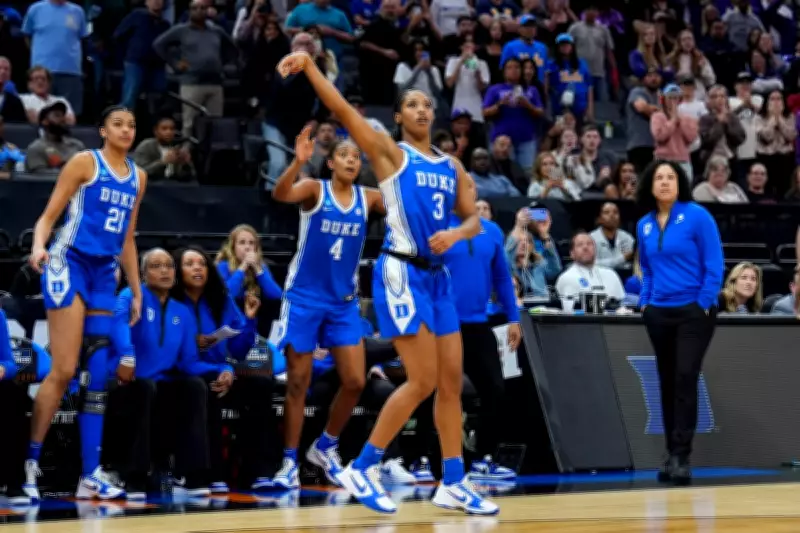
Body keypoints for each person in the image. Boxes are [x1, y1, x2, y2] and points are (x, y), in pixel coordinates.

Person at [277, 51, 495, 515]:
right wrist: (312, 66)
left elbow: (473, 219)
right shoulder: (389, 154)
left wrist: (456, 234)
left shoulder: (452, 166)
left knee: (451, 384)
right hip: (401, 272)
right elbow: (341, 108)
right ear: (398, 117)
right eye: (411, 104)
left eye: (426, 104)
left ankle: (453, 480)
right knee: (422, 379)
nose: (421, 110)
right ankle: (364, 465)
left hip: (438, 277)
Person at [23, 106, 146, 502]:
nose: (126, 130)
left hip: (104, 272)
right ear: (103, 131)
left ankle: (89, 474)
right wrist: (38, 246)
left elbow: (128, 238)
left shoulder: (139, 177)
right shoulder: (84, 163)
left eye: (131, 125)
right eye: (118, 124)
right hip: (69, 261)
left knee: (97, 374)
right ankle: (30, 462)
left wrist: (136, 289)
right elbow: (48, 216)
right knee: (63, 369)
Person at [269, 129, 384, 490]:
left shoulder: (369, 198)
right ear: (331, 162)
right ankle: (288, 462)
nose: (352, 160)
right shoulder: (314, 190)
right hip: (304, 298)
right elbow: (280, 194)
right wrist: (298, 162)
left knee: (355, 380)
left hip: (342, 302)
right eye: (345, 155)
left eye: (357, 157)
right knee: (298, 383)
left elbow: (405, 205)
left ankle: (324, 446)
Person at [105, 248, 222, 499]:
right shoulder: (130, 296)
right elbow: (118, 327)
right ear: (143, 274)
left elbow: (189, 362)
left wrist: (222, 369)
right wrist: (127, 355)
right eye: (156, 266)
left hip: (160, 386)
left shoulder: (182, 311)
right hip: (125, 382)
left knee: (194, 386)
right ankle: (134, 476)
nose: (164, 271)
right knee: (145, 388)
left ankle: (193, 475)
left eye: (169, 266)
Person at [636, 160, 723, 486]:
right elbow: (646, 269)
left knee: (686, 376)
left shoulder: (698, 216)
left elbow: (715, 263)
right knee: (667, 381)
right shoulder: (644, 224)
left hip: (693, 311)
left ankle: (682, 456)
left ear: (680, 182)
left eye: (670, 177)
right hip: (658, 312)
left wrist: (703, 303)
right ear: (650, 184)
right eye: (659, 177)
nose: (664, 182)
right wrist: (645, 303)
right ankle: (671, 452)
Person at [171, 246, 270, 493]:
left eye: (202, 263)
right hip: (185, 375)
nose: (197, 268)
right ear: (177, 271)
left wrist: (249, 321)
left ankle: (257, 471)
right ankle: (214, 473)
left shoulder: (221, 300)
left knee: (260, 385)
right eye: (189, 264)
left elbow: (238, 351)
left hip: (221, 371)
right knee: (208, 388)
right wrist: (221, 369)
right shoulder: (172, 303)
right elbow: (180, 359)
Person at [442, 175, 521, 480]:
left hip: (478, 323)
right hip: (444, 324)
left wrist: (513, 318)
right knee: (438, 390)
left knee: (495, 389)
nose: (466, 191)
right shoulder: (440, 227)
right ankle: (424, 458)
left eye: (470, 186)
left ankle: (483, 457)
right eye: (459, 187)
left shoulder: (492, 231)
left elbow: (502, 278)